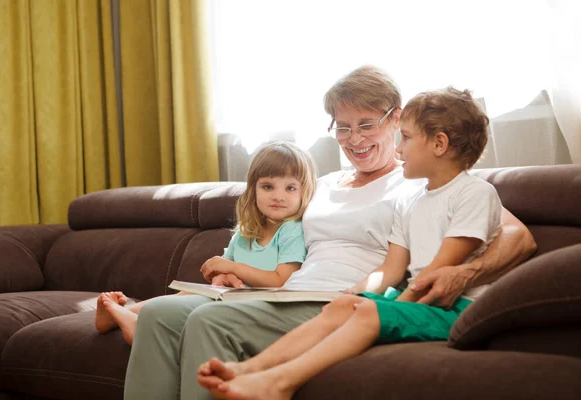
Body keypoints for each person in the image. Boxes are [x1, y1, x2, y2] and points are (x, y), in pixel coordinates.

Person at [123, 66, 536, 400]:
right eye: (342, 127)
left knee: (212, 322)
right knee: (160, 314)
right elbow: (277, 240)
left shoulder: (425, 183)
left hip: (335, 299)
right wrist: (235, 270)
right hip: (287, 292)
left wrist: (465, 274)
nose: (353, 139)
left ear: (396, 121)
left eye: (366, 124)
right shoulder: (321, 183)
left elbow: (517, 237)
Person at [197, 86, 503, 399]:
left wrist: (389, 309)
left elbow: (439, 271)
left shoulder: (474, 193)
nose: (399, 150)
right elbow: (392, 267)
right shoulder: (410, 202)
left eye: (407, 138)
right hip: (423, 301)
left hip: (459, 309)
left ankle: (278, 384)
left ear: (439, 144)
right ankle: (248, 369)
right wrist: (355, 293)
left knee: (367, 313)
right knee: (346, 304)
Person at [94, 141, 317, 345]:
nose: (278, 196)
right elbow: (221, 272)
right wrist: (223, 275)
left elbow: (280, 280)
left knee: (199, 303)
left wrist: (231, 268)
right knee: (186, 294)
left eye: (290, 188)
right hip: (229, 296)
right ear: (253, 190)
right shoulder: (245, 233)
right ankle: (123, 315)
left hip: (260, 307)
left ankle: (136, 324)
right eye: (268, 187)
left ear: (304, 191)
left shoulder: (292, 230)